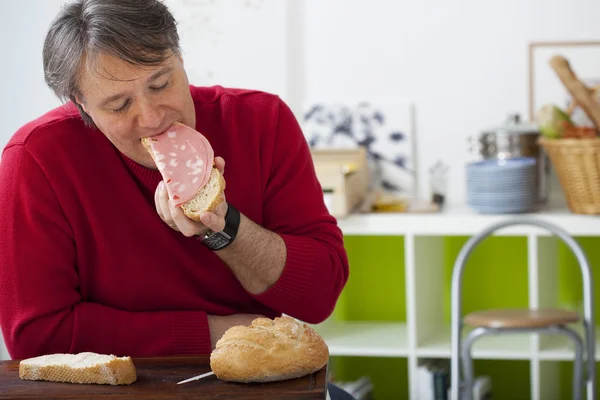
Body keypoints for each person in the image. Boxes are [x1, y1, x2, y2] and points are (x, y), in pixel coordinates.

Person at [0, 0, 354, 398]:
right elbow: (35, 337)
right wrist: (216, 333)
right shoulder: (35, 158)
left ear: (181, 59)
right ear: (81, 104)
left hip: (244, 385)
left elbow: (320, 296)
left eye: (160, 83)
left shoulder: (262, 121)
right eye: (119, 105)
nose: (152, 118)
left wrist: (224, 228)